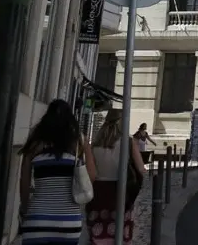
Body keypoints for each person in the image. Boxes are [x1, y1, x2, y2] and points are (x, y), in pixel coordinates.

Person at [18, 99, 96, 245]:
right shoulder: (79, 141)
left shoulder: (35, 142)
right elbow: (91, 176)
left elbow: (24, 181)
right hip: (69, 221)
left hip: (37, 218)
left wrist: (24, 208)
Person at [86, 109, 146, 244]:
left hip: (98, 192)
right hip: (121, 191)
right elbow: (141, 169)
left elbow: (91, 171)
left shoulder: (95, 143)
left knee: (98, 234)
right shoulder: (129, 142)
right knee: (119, 233)